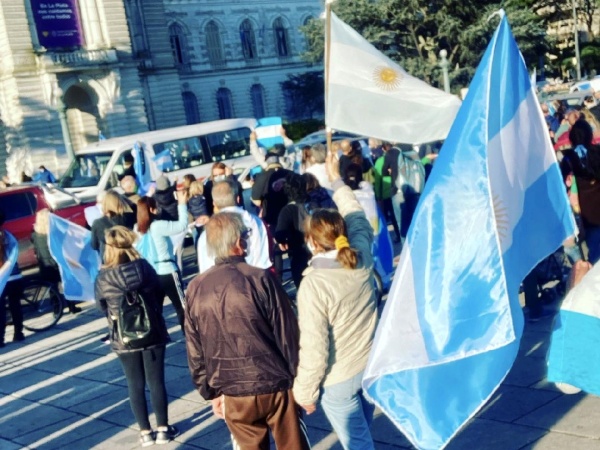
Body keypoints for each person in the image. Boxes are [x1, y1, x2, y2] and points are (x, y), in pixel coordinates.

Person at [185, 212, 310, 450]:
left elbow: (194, 348)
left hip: (234, 390)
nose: (247, 241)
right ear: (237, 242)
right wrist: (300, 378)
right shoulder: (259, 278)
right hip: (275, 383)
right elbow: (288, 334)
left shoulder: (196, 287)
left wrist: (210, 391)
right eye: (245, 235)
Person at [293, 150, 377, 450]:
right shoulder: (361, 258)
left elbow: (315, 347)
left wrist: (304, 392)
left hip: (339, 377)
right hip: (369, 363)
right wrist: (337, 181)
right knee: (363, 434)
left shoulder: (314, 285)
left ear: (312, 242)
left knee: (358, 444)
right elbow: (357, 217)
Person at [95, 226, 179, 446]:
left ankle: (145, 432)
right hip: (152, 332)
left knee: (134, 383)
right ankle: (163, 429)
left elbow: (101, 306)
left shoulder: (103, 276)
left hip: (123, 335)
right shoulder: (144, 267)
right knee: (156, 381)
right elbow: (157, 293)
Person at [136, 191, 189, 331]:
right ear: (152, 209)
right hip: (168, 270)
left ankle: (157, 337)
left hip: (152, 273)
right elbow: (182, 225)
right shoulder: (157, 226)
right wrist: (182, 203)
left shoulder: (138, 230)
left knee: (156, 310)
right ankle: (190, 335)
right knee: (181, 306)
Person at [197, 180, 270, 273]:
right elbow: (263, 259)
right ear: (238, 199)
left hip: (221, 283)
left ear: (214, 203)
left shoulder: (206, 234)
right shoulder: (256, 222)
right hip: (255, 279)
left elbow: (205, 269)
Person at [31, 209, 81, 314]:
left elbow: (37, 250)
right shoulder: (54, 234)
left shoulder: (35, 235)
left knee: (52, 289)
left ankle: (56, 309)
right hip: (56, 264)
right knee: (67, 284)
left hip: (45, 267)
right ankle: (72, 306)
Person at [275, 174, 312, 289]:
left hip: (300, 255)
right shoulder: (313, 203)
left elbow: (280, 234)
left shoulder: (288, 210)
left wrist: (282, 241)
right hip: (321, 251)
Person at [0, 212, 24, 348]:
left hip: (1, 280)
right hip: (14, 277)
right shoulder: (8, 236)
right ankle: (18, 333)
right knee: (15, 305)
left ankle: (0, 338)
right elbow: (14, 256)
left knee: (1, 310)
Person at [91, 190, 136, 262]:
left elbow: (94, 245)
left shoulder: (98, 223)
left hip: (109, 260)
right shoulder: (130, 217)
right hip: (129, 256)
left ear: (104, 204)